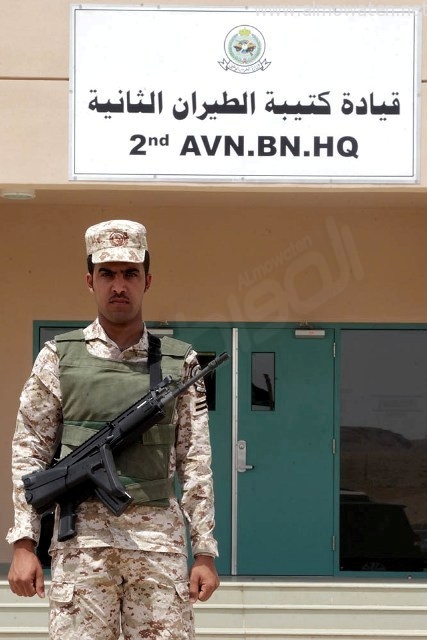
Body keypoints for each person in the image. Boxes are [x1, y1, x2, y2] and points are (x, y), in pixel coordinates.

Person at [7, 219, 220, 640]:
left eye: (130, 273)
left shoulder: (180, 364)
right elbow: (28, 452)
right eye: (107, 273)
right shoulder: (57, 358)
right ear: (90, 281)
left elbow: (195, 461)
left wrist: (205, 552)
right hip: (81, 550)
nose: (119, 285)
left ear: (147, 281)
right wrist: (24, 544)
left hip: (158, 549)